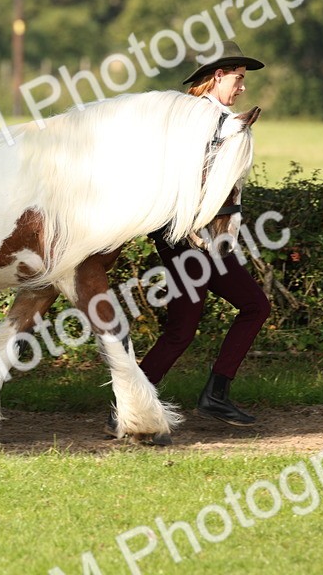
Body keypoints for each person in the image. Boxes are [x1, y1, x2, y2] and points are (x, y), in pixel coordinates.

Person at [110, 41, 272, 435]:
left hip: (193, 236)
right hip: (185, 236)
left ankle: (154, 400)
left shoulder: (217, 118)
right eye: (238, 78)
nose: (242, 87)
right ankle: (185, 398)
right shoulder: (201, 118)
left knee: (197, 325)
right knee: (243, 310)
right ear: (218, 76)